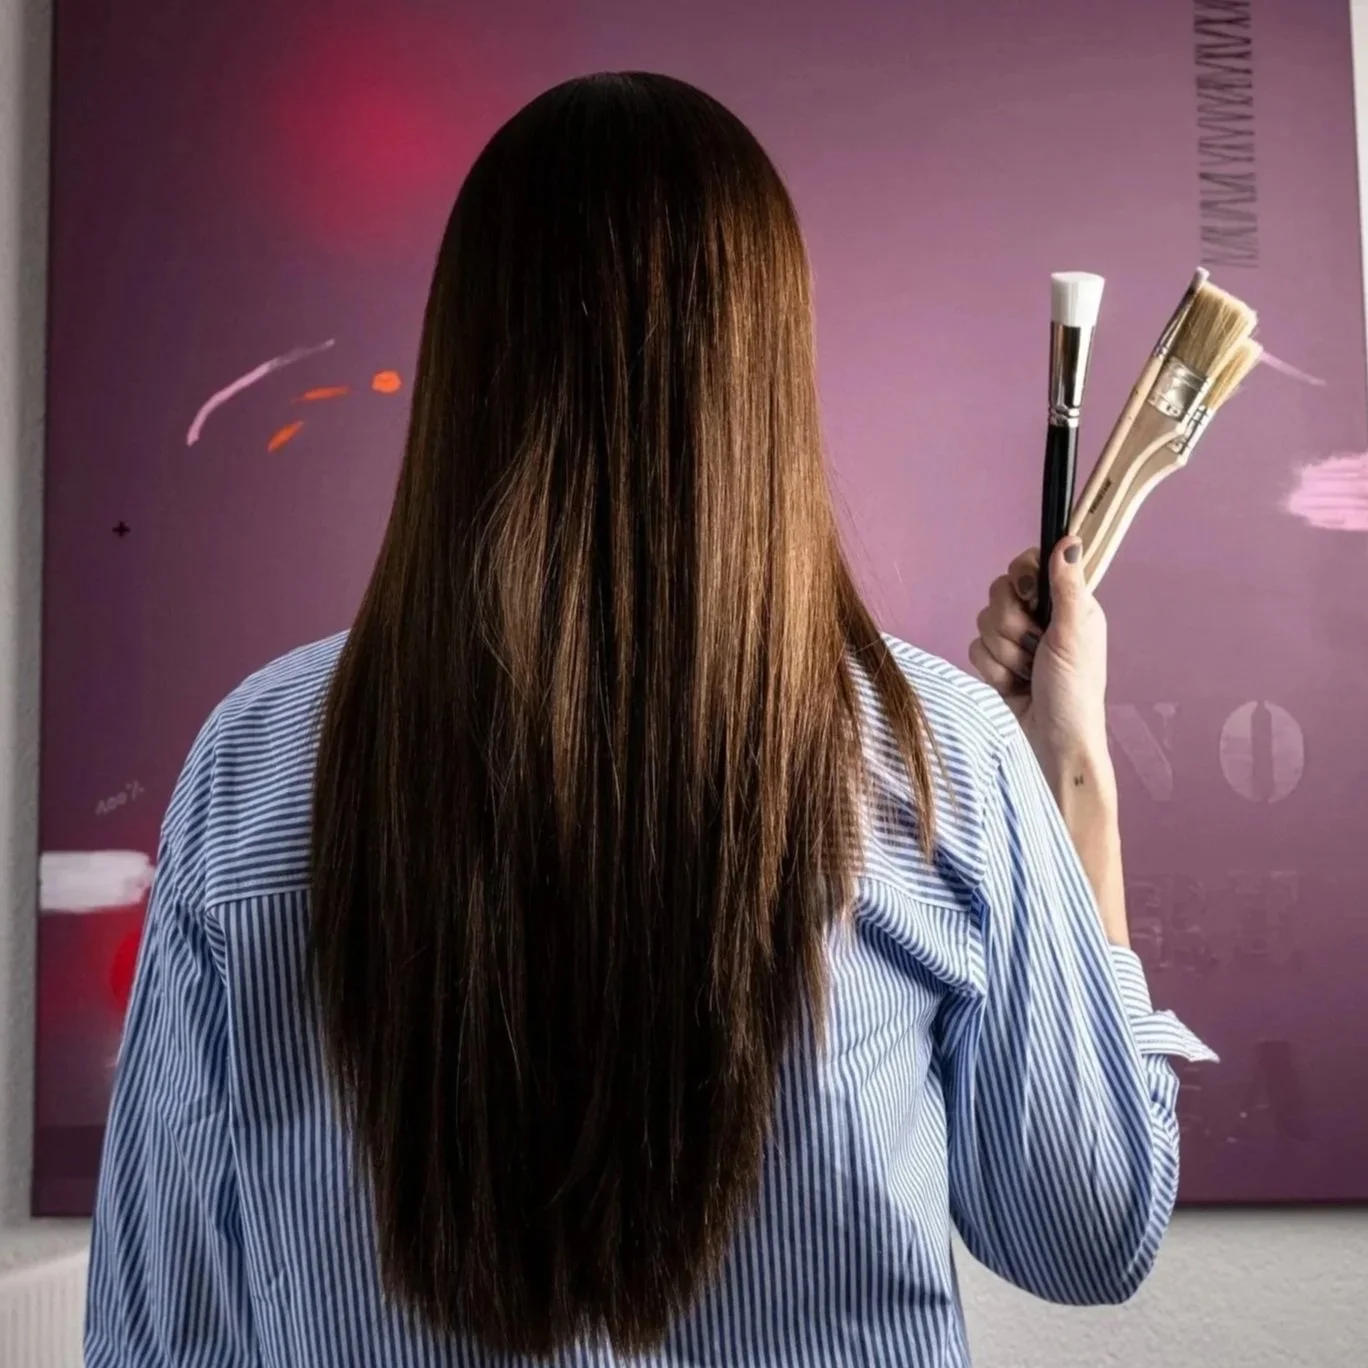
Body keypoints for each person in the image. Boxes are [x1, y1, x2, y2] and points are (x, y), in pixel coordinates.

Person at [84, 72, 1213, 1367]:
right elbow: (1086, 1232)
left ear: (464, 360)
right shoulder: (945, 754)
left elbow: (160, 1336)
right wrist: (1070, 773)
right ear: (766, 374)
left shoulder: (252, 762)